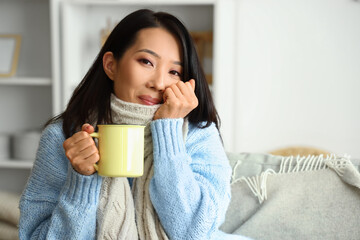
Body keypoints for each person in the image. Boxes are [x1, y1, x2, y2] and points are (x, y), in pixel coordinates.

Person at [19, 9, 250, 240]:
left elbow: (194, 232)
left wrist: (168, 130)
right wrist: (81, 180)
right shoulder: (64, 137)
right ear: (111, 65)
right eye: (146, 61)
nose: (159, 83)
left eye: (174, 72)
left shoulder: (198, 133)